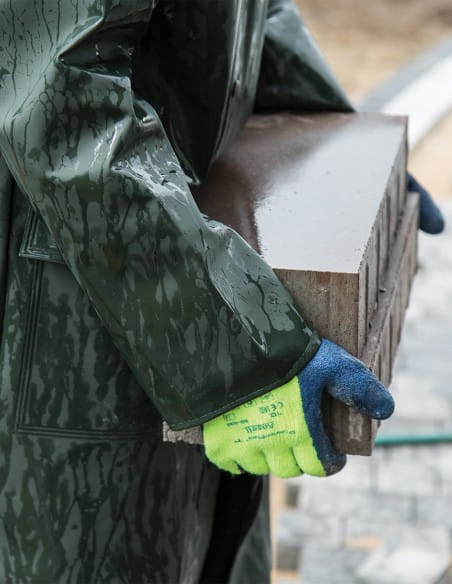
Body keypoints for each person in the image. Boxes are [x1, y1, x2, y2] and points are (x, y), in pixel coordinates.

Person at [0, 0, 443, 582]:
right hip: (72, 329)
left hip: (185, 263)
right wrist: (235, 352)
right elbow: (61, 101)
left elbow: (250, 13)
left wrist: (339, 143)